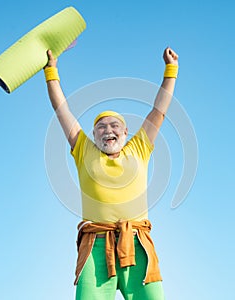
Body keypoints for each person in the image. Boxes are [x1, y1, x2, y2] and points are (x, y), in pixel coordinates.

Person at [44, 46, 179, 300]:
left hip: (137, 245)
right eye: (101, 127)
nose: (108, 130)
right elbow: (61, 108)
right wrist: (51, 71)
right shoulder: (84, 149)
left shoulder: (138, 148)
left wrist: (170, 70)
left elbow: (159, 112)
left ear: (125, 132)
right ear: (93, 136)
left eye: (114, 125)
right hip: (96, 247)